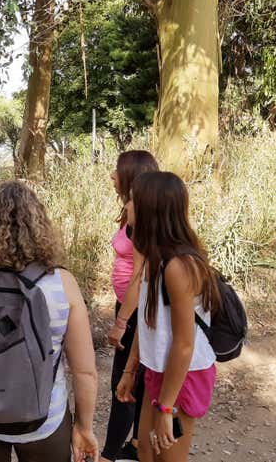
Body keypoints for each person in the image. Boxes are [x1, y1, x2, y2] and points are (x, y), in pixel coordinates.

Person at [0, 181, 99, 462]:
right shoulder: (62, 284)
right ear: (40, 227)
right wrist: (83, 426)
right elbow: (84, 371)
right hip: (43, 419)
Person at [117, 172, 220, 462]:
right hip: (160, 369)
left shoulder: (178, 266)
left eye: (133, 201)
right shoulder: (154, 257)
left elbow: (184, 344)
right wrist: (130, 369)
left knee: (168, 457)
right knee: (146, 451)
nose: (127, 206)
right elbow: (148, 320)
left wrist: (166, 407)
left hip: (183, 374)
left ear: (152, 209)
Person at [102, 151, 158, 462]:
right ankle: (136, 445)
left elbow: (141, 276)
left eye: (117, 171)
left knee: (123, 383)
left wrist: (121, 321)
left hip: (135, 311)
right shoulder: (133, 212)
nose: (112, 175)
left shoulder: (141, 216)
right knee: (137, 379)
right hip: (129, 307)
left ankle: (108, 455)